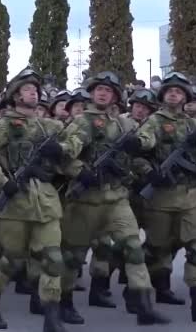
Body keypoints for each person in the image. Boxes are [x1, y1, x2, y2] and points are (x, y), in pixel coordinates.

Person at [59, 71, 169, 325]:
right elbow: (66, 154)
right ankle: (64, 301)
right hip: (86, 199)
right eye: (98, 89)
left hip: (117, 198)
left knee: (133, 248)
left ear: (115, 96)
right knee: (73, 256)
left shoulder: (124, 124)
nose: (102, 93)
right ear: (91, 92)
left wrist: (137, 143)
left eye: (108, 90)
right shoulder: (82, 122)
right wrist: (80, 172)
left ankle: (144, 306)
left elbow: (147, 139)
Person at [0, 69, 70, 332]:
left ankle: (52, 316)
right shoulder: (1, 126)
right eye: (26, 89)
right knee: (12, 259)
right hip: (14, 203)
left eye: (35, 89)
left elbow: (76, 141)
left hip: (46, 202)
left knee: (53, 258)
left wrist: (62, 151)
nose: (33, 92)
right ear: (14, 96)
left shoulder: (47, 126)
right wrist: (1, 180)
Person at [132, 72, 196, 322]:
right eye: (169, 91)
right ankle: (145, 290)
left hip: (191, 196)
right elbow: (141, 148)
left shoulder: (195, 124)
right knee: (156, 248)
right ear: (163, 95)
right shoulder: (154, 121)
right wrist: (151, 173)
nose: (174, 94)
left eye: (179, 91)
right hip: (162, 197)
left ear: (186, 96)